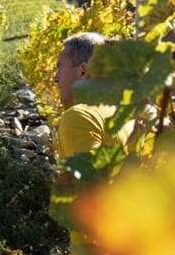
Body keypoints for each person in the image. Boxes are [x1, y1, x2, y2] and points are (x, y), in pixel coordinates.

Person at [53, 32, 130, 160]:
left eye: (60, 67)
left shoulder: (79, 117)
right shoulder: (122, 113)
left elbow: (91, 179)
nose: (55, 78)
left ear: (83, 71)